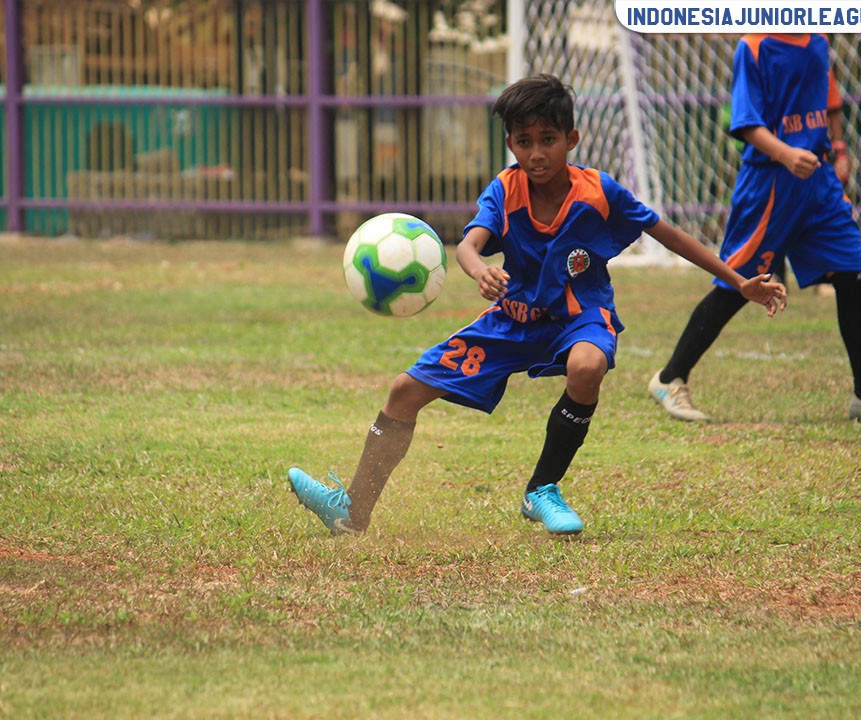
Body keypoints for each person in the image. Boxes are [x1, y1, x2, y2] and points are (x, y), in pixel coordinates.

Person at [288, 74, 786, 537]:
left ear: (571, 139)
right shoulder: (504, 190)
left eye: (547, 139)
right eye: (523, 142)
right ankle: (352, 511)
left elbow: (670, 235)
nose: (536, 152)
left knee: (587, 365)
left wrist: (740, 283)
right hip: (514, 318)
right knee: (403, 391)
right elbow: (467, 245)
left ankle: (542, 489)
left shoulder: (600, 193)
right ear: (510, 145)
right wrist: (480, 267)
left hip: (580, 316)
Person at [647, 34, 861, 425]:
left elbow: (829, 98)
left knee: (853, 274)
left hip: (818, 181)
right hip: (769, 182)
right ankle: (669, 378)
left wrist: (840, 146)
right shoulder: (754, 46)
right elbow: (747, 123)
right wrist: (784, 153)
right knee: (739, 282)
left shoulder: (817, 39)